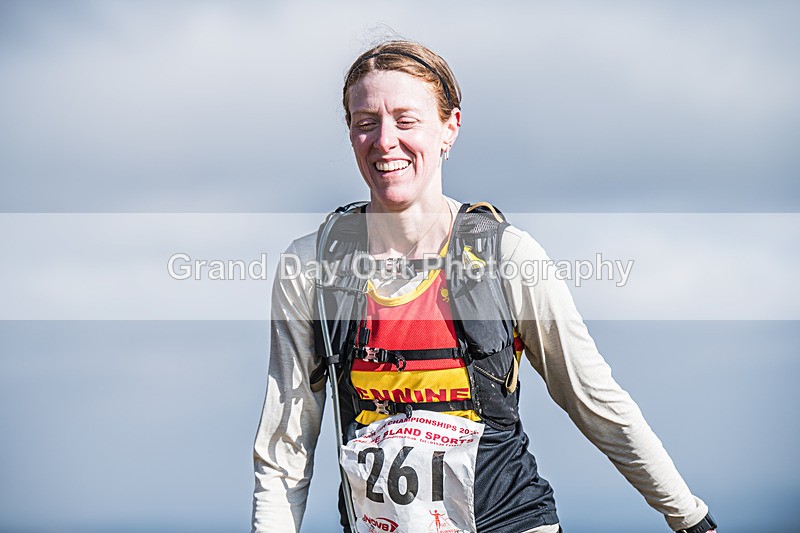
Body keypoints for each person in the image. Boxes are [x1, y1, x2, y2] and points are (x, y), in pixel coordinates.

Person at [252, 40, 717, 533]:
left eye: (406, 120)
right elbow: (285, 445)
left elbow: (592, 398)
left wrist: (687, 516)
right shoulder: (311, 266)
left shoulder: (509, 256)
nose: (384, 140)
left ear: (450, 127)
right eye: (366, 121)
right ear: (350, 132)